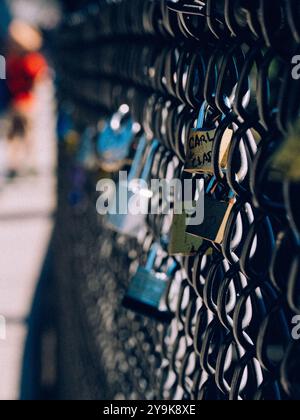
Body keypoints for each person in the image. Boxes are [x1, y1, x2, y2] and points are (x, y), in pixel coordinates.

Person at [5, 19, 48, 178]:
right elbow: (41, 77)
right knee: (27, 133)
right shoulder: (33, 60)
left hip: (15, 103)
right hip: (28, 103)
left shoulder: (11, 61)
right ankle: (28, 162)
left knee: (15, 134)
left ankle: (15, 162)